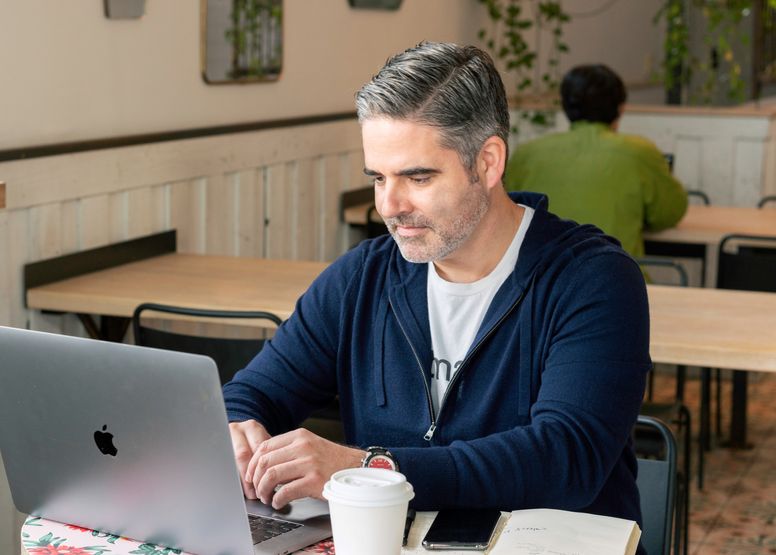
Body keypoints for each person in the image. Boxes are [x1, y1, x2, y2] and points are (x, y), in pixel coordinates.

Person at [223, 42, 650, 544]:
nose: (389, 204)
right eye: (378, 177)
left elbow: (565, 457)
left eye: (417, 177)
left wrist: (369, 467)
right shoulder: (362, 277)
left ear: (488, 163)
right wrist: (237, 428)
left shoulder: (593, 279)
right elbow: (251, 395)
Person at [505, 64, 688, 259]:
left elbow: (507, 212)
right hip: (618, 278)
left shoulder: (527, 153)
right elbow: (669, 213)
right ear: (620, 108)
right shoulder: (640, 152)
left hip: (539, 281)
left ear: (566, 105)